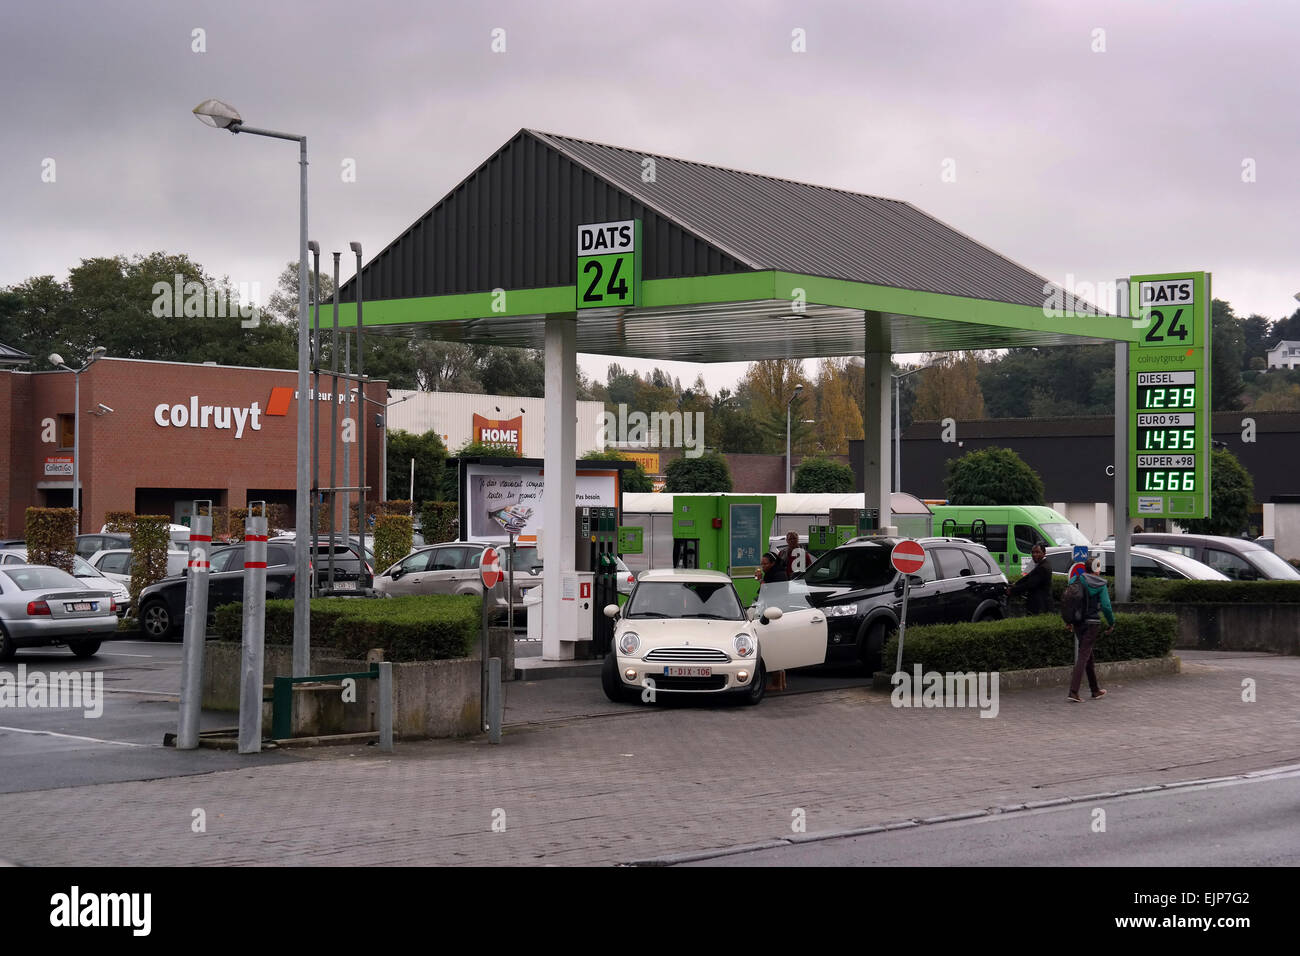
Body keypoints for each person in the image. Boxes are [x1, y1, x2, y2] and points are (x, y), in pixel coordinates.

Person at [1065, 565, 1114, 703]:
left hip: (1078, 622)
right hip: (1092, 623)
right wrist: (1111, 622)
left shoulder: (1075, 580)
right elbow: (1106, 606)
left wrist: (1069, 620)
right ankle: (1073, 691)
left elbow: (1070, 600)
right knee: (1084, 655)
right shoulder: (1100, 583)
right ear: (1096, 570)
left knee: (1087, 655)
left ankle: (1095, 690)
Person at [1007, 541, 1052, 614]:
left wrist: (1013, 590)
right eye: (1033, 552)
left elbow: (1030, 584)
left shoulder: (1043, 567)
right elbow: (1028, 576)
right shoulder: (1040, 564)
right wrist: (1015, 584)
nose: (1034, 554)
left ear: (1044, 553)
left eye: (1037, 552)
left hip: (1040, 605)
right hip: (1038, 604)